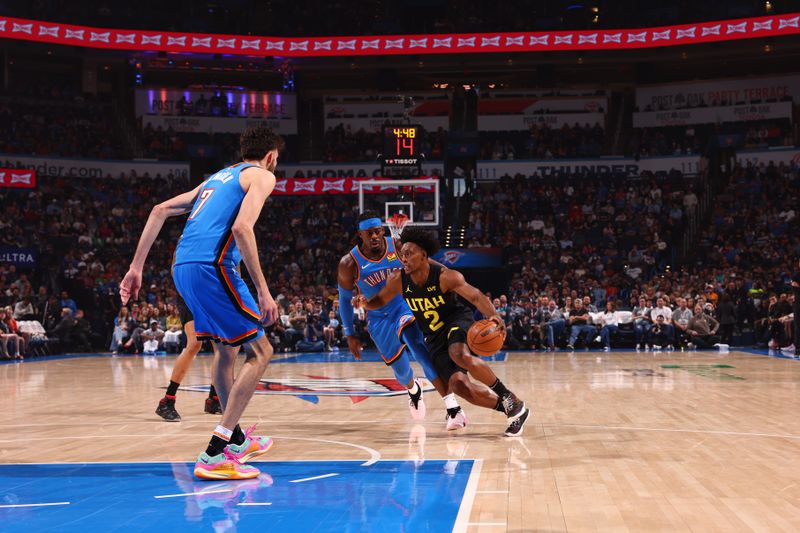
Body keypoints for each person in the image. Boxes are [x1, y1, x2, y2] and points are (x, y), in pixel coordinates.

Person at [121, 125, 283, 480]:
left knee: (226, 352)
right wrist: (264, 290)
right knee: (261, 352)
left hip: (183, 268)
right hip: (213, 268)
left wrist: (135, 268)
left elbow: (159, 209)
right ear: (271, 156)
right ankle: (215, 451)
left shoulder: (217, 178)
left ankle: (236, 440)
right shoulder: (262, 176)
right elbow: (242, 229)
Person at [363, 226, 530, 437]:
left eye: (409, 254)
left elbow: (476, 296)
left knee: (458, 354)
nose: (403, 258)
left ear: (424, 255)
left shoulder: (445, 276)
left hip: (456, 321)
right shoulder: (398, 279)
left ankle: (506, 395)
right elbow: (380, 299)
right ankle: (514, 409)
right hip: (434, 337)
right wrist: (365, 303)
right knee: (459, 386)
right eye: (402, 254)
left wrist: (494, 316)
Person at [337, 211, 460, 426]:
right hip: (378, 318)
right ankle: (414, 389)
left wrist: (447, 274)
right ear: (360, 235)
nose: (374, 236)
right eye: (369, 233)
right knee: (402, 373)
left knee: (418, 347)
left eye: (377, 231)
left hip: (405, 307)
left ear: (382, 230)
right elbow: (344, 299)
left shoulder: (398, 246)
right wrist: (350, 334)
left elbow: (426, 263)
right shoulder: (349, 263)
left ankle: (452, 407)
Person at [155, 294, 222, 423]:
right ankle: (167, 400)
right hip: (189, 291)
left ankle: (213, 399)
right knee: (194, 344)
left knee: (220, 347)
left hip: (211, 293)